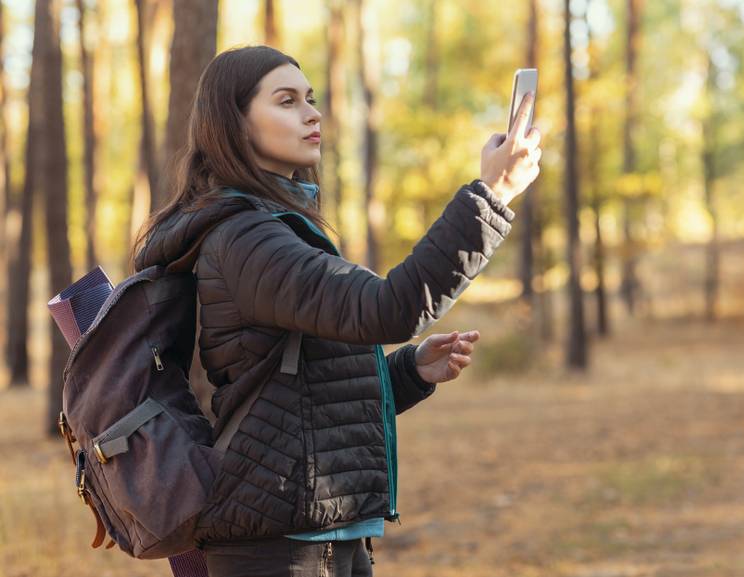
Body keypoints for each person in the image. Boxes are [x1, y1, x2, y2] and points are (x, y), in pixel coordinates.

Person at [132, 45, 542, 577]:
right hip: (280, 545)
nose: (311, 112)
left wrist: (409, 372)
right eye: (286, 101)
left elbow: (297, 405)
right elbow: (389, 308)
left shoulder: (275, 229)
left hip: (320, 532)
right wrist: (492, 193)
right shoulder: (246, 239)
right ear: (234, 124)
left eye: (311, 98)